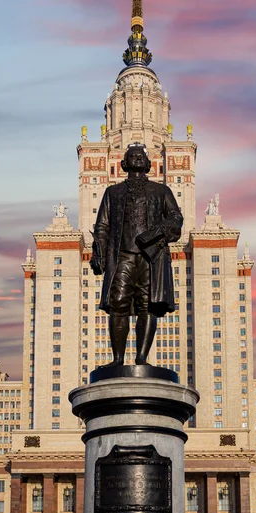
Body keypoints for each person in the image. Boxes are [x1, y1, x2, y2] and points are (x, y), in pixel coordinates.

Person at [91, 143, 183, 366]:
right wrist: (100, 253)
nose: (138, 158)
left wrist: (156, 232)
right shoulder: (113, 192)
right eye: (133, 156)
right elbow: (102, 225)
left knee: (147, 305)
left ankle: (141, 358)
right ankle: (118, 359)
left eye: (141, 156)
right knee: (118, 303)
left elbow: (176, 218)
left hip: (151, 257)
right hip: (122, 255)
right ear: (124, 163)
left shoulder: (161, 191)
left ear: (149, 164)